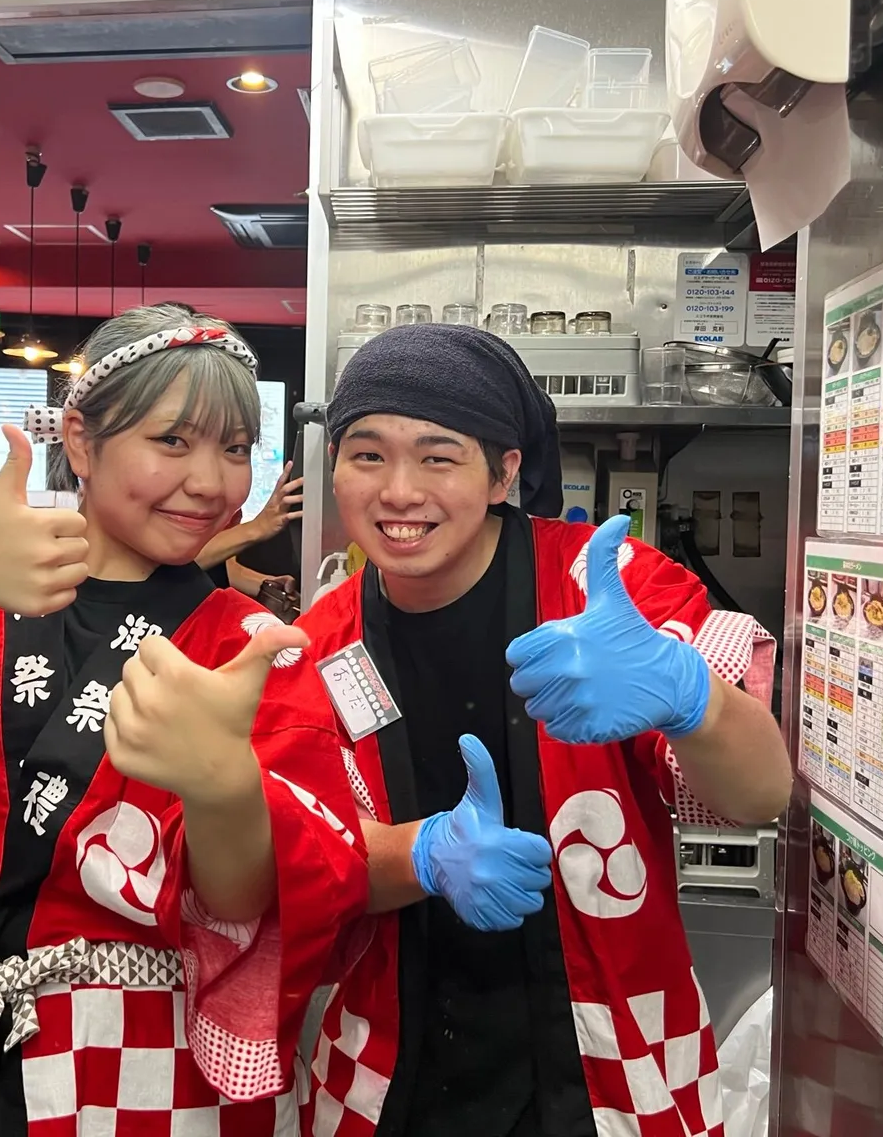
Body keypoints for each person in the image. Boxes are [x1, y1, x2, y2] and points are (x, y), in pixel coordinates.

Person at [0, 305, 366, 1137]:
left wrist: (221, 784)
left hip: (157, 1070)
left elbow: (246, 902)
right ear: (80, 441)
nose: (212, 481)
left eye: (235, 448)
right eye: (173, 441)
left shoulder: (249, 648)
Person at [295, 323, 791, 1137]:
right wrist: (419, 854)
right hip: (386, 1074)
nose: (398, 490)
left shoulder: (611, 594)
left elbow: (757, 795)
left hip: (621, 1066)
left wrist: (690, 696)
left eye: (438, 456)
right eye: (367, 453)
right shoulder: (320, 646)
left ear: (504, 472)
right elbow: (312, 859)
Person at [197, 461, 305, 598]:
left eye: (237, 449)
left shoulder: (228, 505)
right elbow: (178, 559)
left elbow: (219, 562)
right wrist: (259, 526)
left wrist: (267, 585)